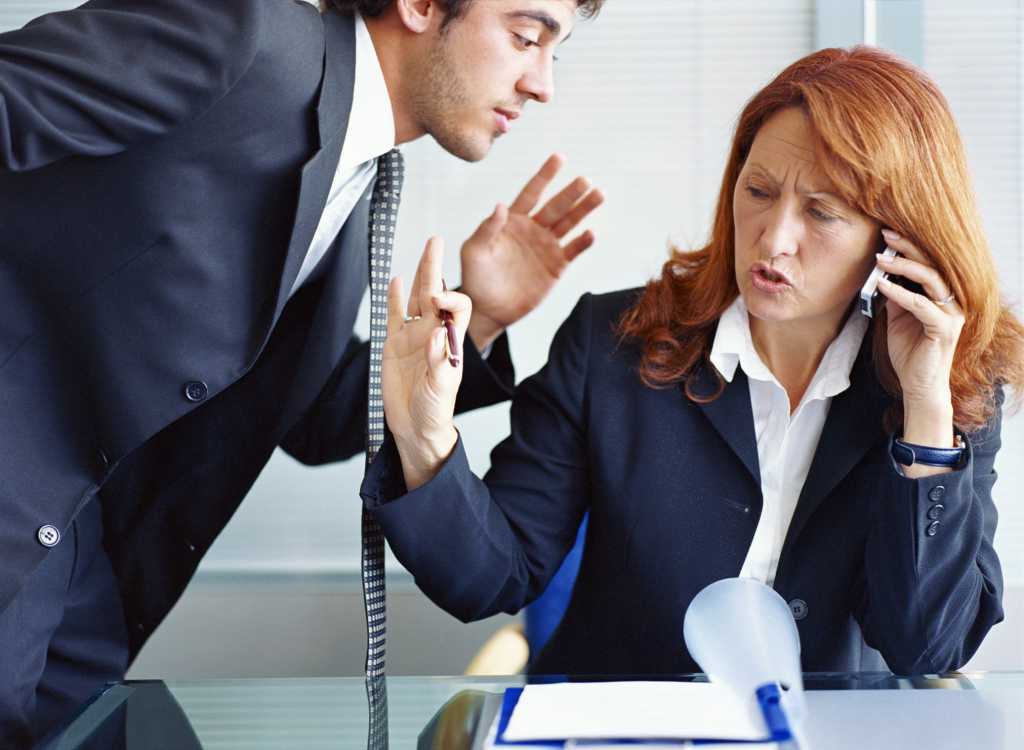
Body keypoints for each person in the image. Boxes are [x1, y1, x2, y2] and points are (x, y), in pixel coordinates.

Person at [0, 0, 607, 744]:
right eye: (525, 37)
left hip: (70, 560)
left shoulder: (355, 176)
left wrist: (475, 318)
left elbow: (308, 415)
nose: (542, 83)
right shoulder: (245, 35)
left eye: (556, 52)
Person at [366, 45, 1024, 677]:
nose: (774, 237)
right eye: (759, 191)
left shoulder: (948, 385)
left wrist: (926, 413)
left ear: (898, 240)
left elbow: (926, 647)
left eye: (822, 212)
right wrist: (424, 434)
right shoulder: (612, 340)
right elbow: (489, 577)